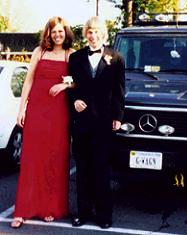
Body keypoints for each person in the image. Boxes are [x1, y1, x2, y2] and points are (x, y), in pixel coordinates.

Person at [11, 16, 75, 228]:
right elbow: (28, 80)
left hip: (59, 113)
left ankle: (50, 207)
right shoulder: (40, 52)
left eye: (60, 31)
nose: (57, 35)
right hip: (37, 110)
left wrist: (66, 86)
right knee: (31, 158)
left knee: (54, 159)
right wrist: (22, 109)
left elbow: (79, 81)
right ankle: (23, 210)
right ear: (48, 33)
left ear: (65, 33)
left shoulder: (70, 54)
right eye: (53, 31)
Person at [68, 16, 125, 229]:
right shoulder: (75, 57)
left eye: (96, 31)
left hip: (104, 122)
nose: (93, 35)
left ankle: (104, 215)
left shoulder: (116, 58)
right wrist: (75, 101)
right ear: (86, 34)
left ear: (104, 34)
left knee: (101, 170)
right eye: (89, 32)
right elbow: (70, 86)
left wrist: (118, 117)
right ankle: (82, 213)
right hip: (81, 122)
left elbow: (119, 91)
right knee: (82, 169)